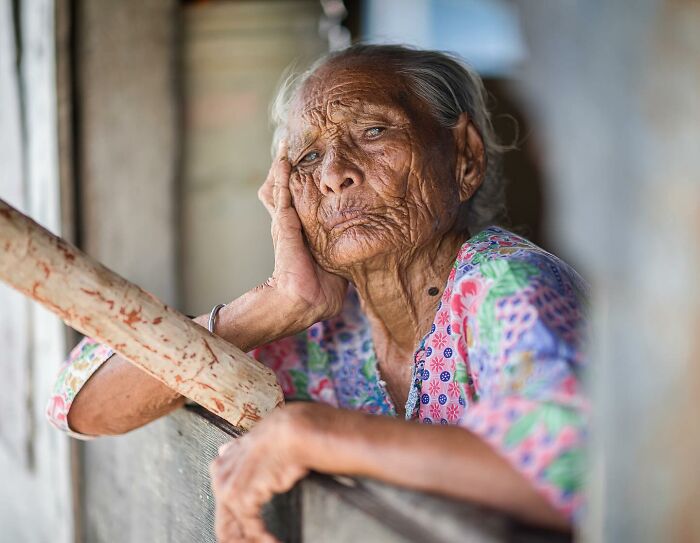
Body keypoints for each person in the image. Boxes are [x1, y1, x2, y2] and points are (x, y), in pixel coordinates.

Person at [47, 45, 588, 541]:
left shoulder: (505, 286)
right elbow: (79, 400)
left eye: (374, 131)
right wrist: (278, 302)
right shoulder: (327, 334)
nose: (333, 174)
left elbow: (576, 463)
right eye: (307, 158)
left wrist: (311, 432)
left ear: (464, 156)